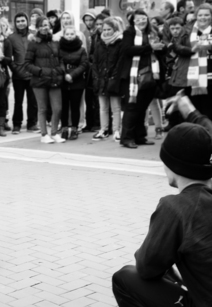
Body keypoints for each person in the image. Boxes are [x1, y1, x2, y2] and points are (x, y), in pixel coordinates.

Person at [112, 92, 212, 307]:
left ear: (170, 165)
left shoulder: (175, 208)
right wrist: (192, 112)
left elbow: (147, 268)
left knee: (124, 276)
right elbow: (208, 137)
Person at [119, 9, 166, 149]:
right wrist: (149, 47)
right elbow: (127, 50)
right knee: (132, 107)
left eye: (143, 18)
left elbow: (160, 52)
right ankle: (126, 138)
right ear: (133, 20)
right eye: (138, 19)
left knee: (143, 107)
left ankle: (140, 137)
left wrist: (161, 48)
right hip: (134, 77)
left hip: (151, 75)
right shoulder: (129, 33)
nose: (141, 21)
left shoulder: (153, 32)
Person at [25, 16, 65, 144]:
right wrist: (41, 72)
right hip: (40, 81)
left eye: (46, 25)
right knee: (42, 109)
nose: (44, 27)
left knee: (57, 108)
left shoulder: (55, 42)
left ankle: (54, 133)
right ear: (37, 28)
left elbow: (61, 59)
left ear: (50, 26)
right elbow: (27, 64)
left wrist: (61, 70)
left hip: (54, 79)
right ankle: (44, 134)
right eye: (41, 25)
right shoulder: (33, 43)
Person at [177, 4, 212, 120]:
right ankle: (198, 136)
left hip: (210, 75)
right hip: (191, 75)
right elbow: (177, 47)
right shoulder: (187, 30)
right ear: (196, 16)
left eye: (207, 15)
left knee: (209, 109)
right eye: (200, 15)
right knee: (195, 110)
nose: (203, 17)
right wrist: (191, 50)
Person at [92, 17, 123, 142]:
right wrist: (97, 77)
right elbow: (94, 62)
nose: (106, 32)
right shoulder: (99, 43)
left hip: (114, 79)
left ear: (115, 29)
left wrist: (113, 77)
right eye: (104, 29)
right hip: (101, 79)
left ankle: (116, 130)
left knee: (116, 108)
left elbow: (120, 63)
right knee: (103, 107)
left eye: (109, 29)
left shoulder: (120, 43)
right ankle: (103, 130)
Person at [8, 12, 39, 134]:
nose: (21, 23)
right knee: (18, 101)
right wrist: (15, 69)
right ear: (15, 23)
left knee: (33, 100)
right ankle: (17, 124)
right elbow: (8, 57)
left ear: (27, 21)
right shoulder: (11, 38)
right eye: (18, 21)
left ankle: (32, 123)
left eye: (23, 20)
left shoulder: (34, 35)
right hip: (18, 75)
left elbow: (38, 53)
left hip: (32, 74)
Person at [59, 26, 89, 141]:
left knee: (75, 106)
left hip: (77, 81)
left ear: (75, 35)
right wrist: (65, 74)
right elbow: (59, 62)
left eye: (72, 34)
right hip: (63, 80)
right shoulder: (59, 48)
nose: (70, 36)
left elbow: (84, 64)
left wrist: (72, 75)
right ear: (64, 35)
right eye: (67, 34)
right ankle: (65, 128)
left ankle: (75, 129)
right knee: (64, 106)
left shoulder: (81, 49)